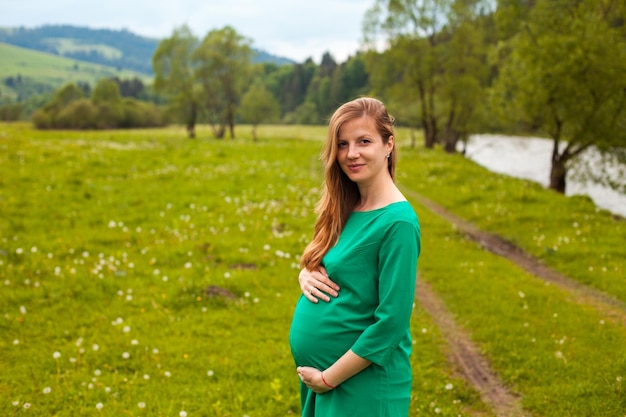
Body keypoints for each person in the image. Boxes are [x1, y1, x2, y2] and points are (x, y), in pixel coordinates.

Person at [289, 97, 421, 416]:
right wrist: (305, 274)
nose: (351, 154)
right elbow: (326, 263)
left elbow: (391, 323)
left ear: (388, 144)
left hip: (361, 385)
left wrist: (328, 378)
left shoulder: (398, 223)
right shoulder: (347, 206)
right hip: (326, 383)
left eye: (364, 141)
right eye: (343, 144)